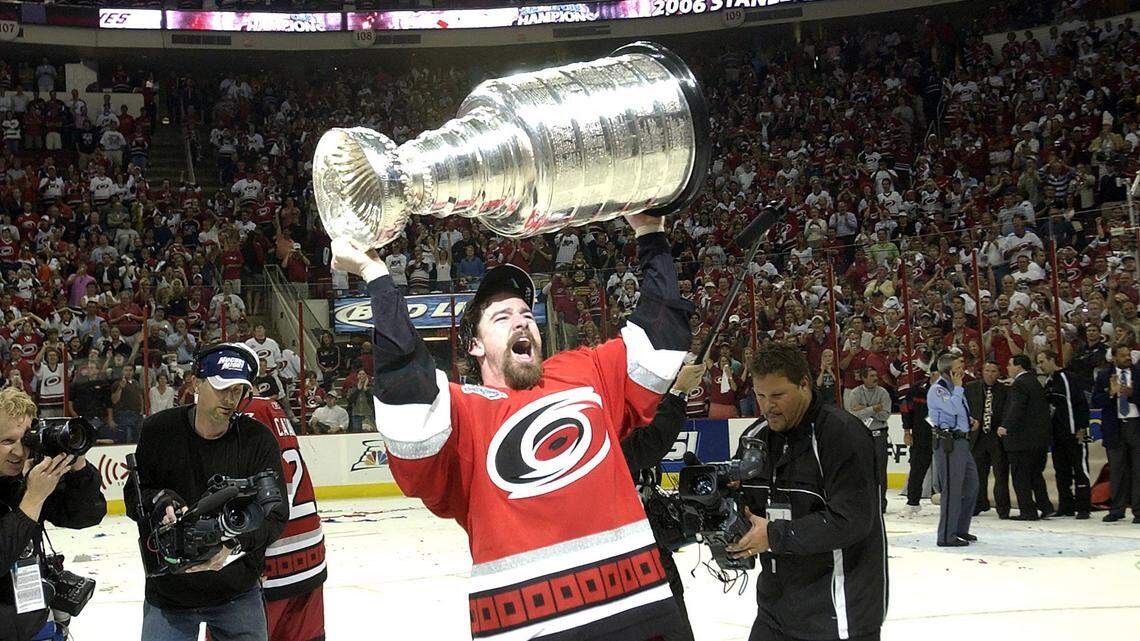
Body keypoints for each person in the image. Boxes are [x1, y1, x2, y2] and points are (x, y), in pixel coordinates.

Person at [330, 210, 693, 640]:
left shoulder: (586, 370)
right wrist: (376, 275)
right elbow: (408, 396)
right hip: (527, 625)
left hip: (642, 611)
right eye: (501, 317)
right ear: (475, 345)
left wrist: (651, 235)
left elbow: (661, 338)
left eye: (525, 313)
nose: (521, 320)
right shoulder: (460, 410)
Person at [124, 343, 288, 641]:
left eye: (237, 390)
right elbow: (134, 495)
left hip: (237, 591)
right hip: (170, 594)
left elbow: (276, 514)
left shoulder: (257, 439)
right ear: (197, 382)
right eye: (221, 387)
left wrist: (232, 546)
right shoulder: (159, 430)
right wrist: (160, 502)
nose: (229, 399)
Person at [729, 343, 887, 641]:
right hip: (775, 611)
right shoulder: (755, 438)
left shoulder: (842, 435)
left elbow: (852, 519)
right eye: (760, 396)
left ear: (804, 384)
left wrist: (775, 535)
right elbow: (750, 512)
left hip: (839, 613)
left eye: (777, 395)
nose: (767, 406)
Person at [0, 387, 107, 641]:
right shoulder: (30, 491)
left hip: (34, 624)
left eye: (25, 439)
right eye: (7, 441)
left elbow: (84, 515)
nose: (19, 452)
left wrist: (77, 464)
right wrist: (33, 499)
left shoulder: (24, 481)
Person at [621, 363, 706, 641]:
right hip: (628, 559)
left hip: (644, 552)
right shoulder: (605, 429)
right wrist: (679, 393)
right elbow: (650, 445)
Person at [241, 390, 327, 641]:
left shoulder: (245, 413)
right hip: (309, 553)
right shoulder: (271, 408)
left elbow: (276, 495)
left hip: (272, 562)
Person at [927, 352, 979, 546]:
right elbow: (952, 409)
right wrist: (958, 389)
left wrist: (969, 421)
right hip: (949, 444)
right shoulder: (938, 390)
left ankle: (960, 529)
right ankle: (946, 536)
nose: (962, 369)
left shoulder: (955, 388)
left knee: (971, 485)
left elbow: (958, 413)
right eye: (959, 366)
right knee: (952, 490)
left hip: (962, 442)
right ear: (949, 370)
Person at [998, 354, 1054, 521]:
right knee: (1035, 474)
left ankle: (1027, 511)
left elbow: (1017, 407)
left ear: (1019, 366)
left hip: (1022, 441)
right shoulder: (1034, 381)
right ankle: (1045, 506)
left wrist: (1005, 426)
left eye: (1009, 364)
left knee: (1021, 476)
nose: (1007, 368)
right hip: (1038, 440)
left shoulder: (1020, 384)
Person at [1036, 351, 1091, 519]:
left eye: (1042, 361)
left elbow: (1080, 404)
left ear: (1052, 360)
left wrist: (1082, 428)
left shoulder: (1067, 378)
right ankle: (1066, 505)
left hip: (1074, 432)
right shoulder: (1050, 381)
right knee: (1061, 471)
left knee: (1080, 469)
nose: (1040, 365)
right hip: (1057, 435)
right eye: (1038, 362)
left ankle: (1083, 507)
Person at [1090, 344, 1140, 523]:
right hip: (1114, 427)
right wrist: (1111, 393)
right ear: (1114, 358)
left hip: (1135, 425)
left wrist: (1133, 394)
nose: (1128, 358)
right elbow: (1096, 400)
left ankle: (1138, 511)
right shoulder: (1104, 375)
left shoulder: (1138, 373)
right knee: (1117, 471)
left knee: (1138, 470)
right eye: (1124, 355)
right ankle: (1117, 509)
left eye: (1129, 355)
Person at [965, 362, 1011, 518]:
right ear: (982, 372)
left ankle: (1003, 508)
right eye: (987, 371)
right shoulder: (971, 388)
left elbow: (1008, 411)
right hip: (978, 437)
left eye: (993, 371)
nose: (990, 374)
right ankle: (979, 503)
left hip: (996, 437)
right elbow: (965, 408)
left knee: (1000, 474)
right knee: (977, 474)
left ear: (999, 373)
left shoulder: (1005, 390)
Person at [844, 368, 891, 512]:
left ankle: (880, 503)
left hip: (879, 434)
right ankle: (864, 501)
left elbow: (885, 415)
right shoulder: (855, 393)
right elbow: (853, 414)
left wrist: (864, 409)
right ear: (863, 378)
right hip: (861, 434)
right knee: (861, 469)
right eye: (871, 376)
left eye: (876, 375)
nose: (875, 378)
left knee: (880, 470)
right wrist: (873, 409)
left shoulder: (883, 393)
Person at [900, 367, 933, 517]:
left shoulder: (951, 388)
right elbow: (906, 410)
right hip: (921, 435)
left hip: (945, 436)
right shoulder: (917, 390)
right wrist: (907, 431)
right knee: (917, 469)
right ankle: (912, 502)